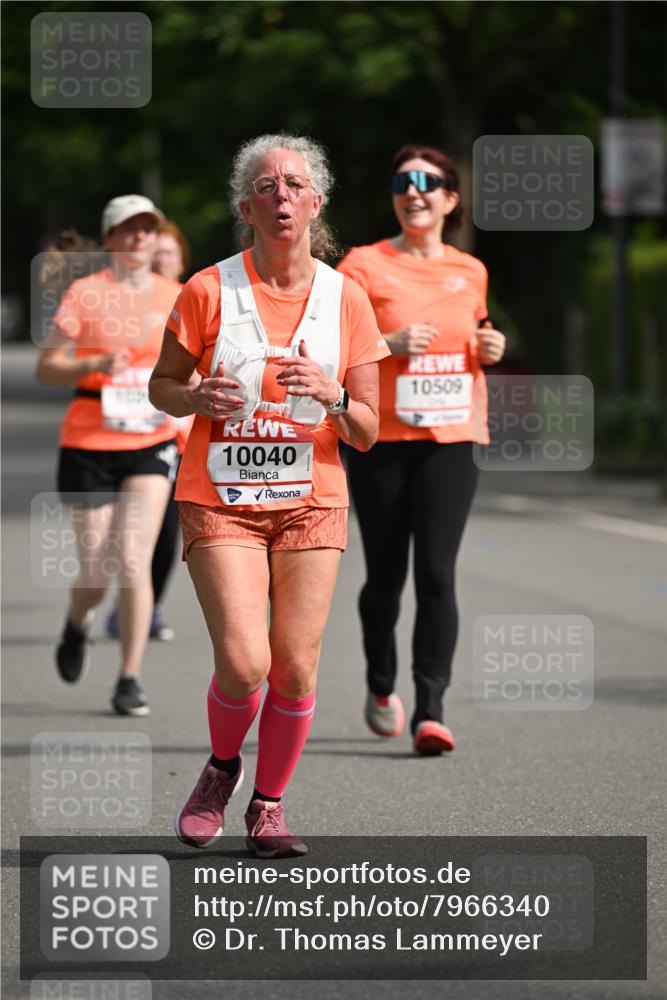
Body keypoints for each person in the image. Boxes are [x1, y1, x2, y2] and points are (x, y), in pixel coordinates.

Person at [149, 133, 389, 856]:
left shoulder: (346, 299)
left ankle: (269, 807)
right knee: (246, 661)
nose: (280, 195)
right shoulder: (206, 290)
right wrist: (195, 396)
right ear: (244, 207)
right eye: (265, 186)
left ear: (315, 204)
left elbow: (370, 431)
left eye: (293, 185)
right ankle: (222, 769)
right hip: (220, 496)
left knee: (295, 664)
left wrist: (335, 394)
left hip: (311, 500)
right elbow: (161, 387)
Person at [338, 144, 506, 755]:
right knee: (385, 577)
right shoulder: (362, 265)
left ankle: (431, 708)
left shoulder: (470, 269)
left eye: (428, 183)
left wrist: (490, 348)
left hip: (453, 435)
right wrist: (392, 341)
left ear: (450, 199)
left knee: (437, 572)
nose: (414, 192)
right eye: (402, 182)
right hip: (379, 435)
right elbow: (336, 347)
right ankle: (382, 686)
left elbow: (478, 332)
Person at [36, 194, 182, 716]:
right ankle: (78, 623)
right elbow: (47, 367)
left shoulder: (178, 294)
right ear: (111, 239)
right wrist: (93, 361)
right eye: (129, 229)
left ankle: (129, 676)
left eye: (148, 228)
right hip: (90, 440)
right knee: (95, 572)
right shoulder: (85, 293)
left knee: (133, 559)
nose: (141, 237)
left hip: (150, 440)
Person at [106, 218, 193, 642]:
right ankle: (127, 601)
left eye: (169, 255)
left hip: (181, 434)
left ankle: (149, 604)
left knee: (166, 530)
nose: (161, 261)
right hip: (133, 433)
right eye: (156, 254)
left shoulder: (194, 302)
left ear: (181, 261)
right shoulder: (132, 303)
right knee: (133, 530)